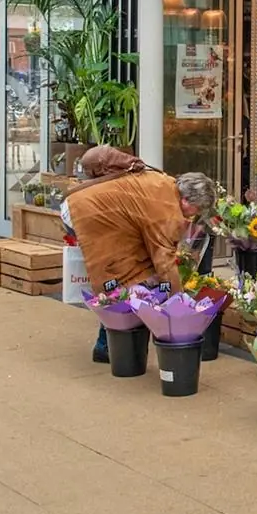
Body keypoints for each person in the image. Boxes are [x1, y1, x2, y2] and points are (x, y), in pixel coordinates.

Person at [62, 148, 216, 363]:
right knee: (125, 279)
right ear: (188, 201)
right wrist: (178, 300)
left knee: (135, 277)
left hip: (82, 206)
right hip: (86, 215)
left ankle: (110, 344)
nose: (194, 216)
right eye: (197, 210)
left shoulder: (164, 182)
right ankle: (106, 346)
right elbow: (164, 259)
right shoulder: (167, 209)